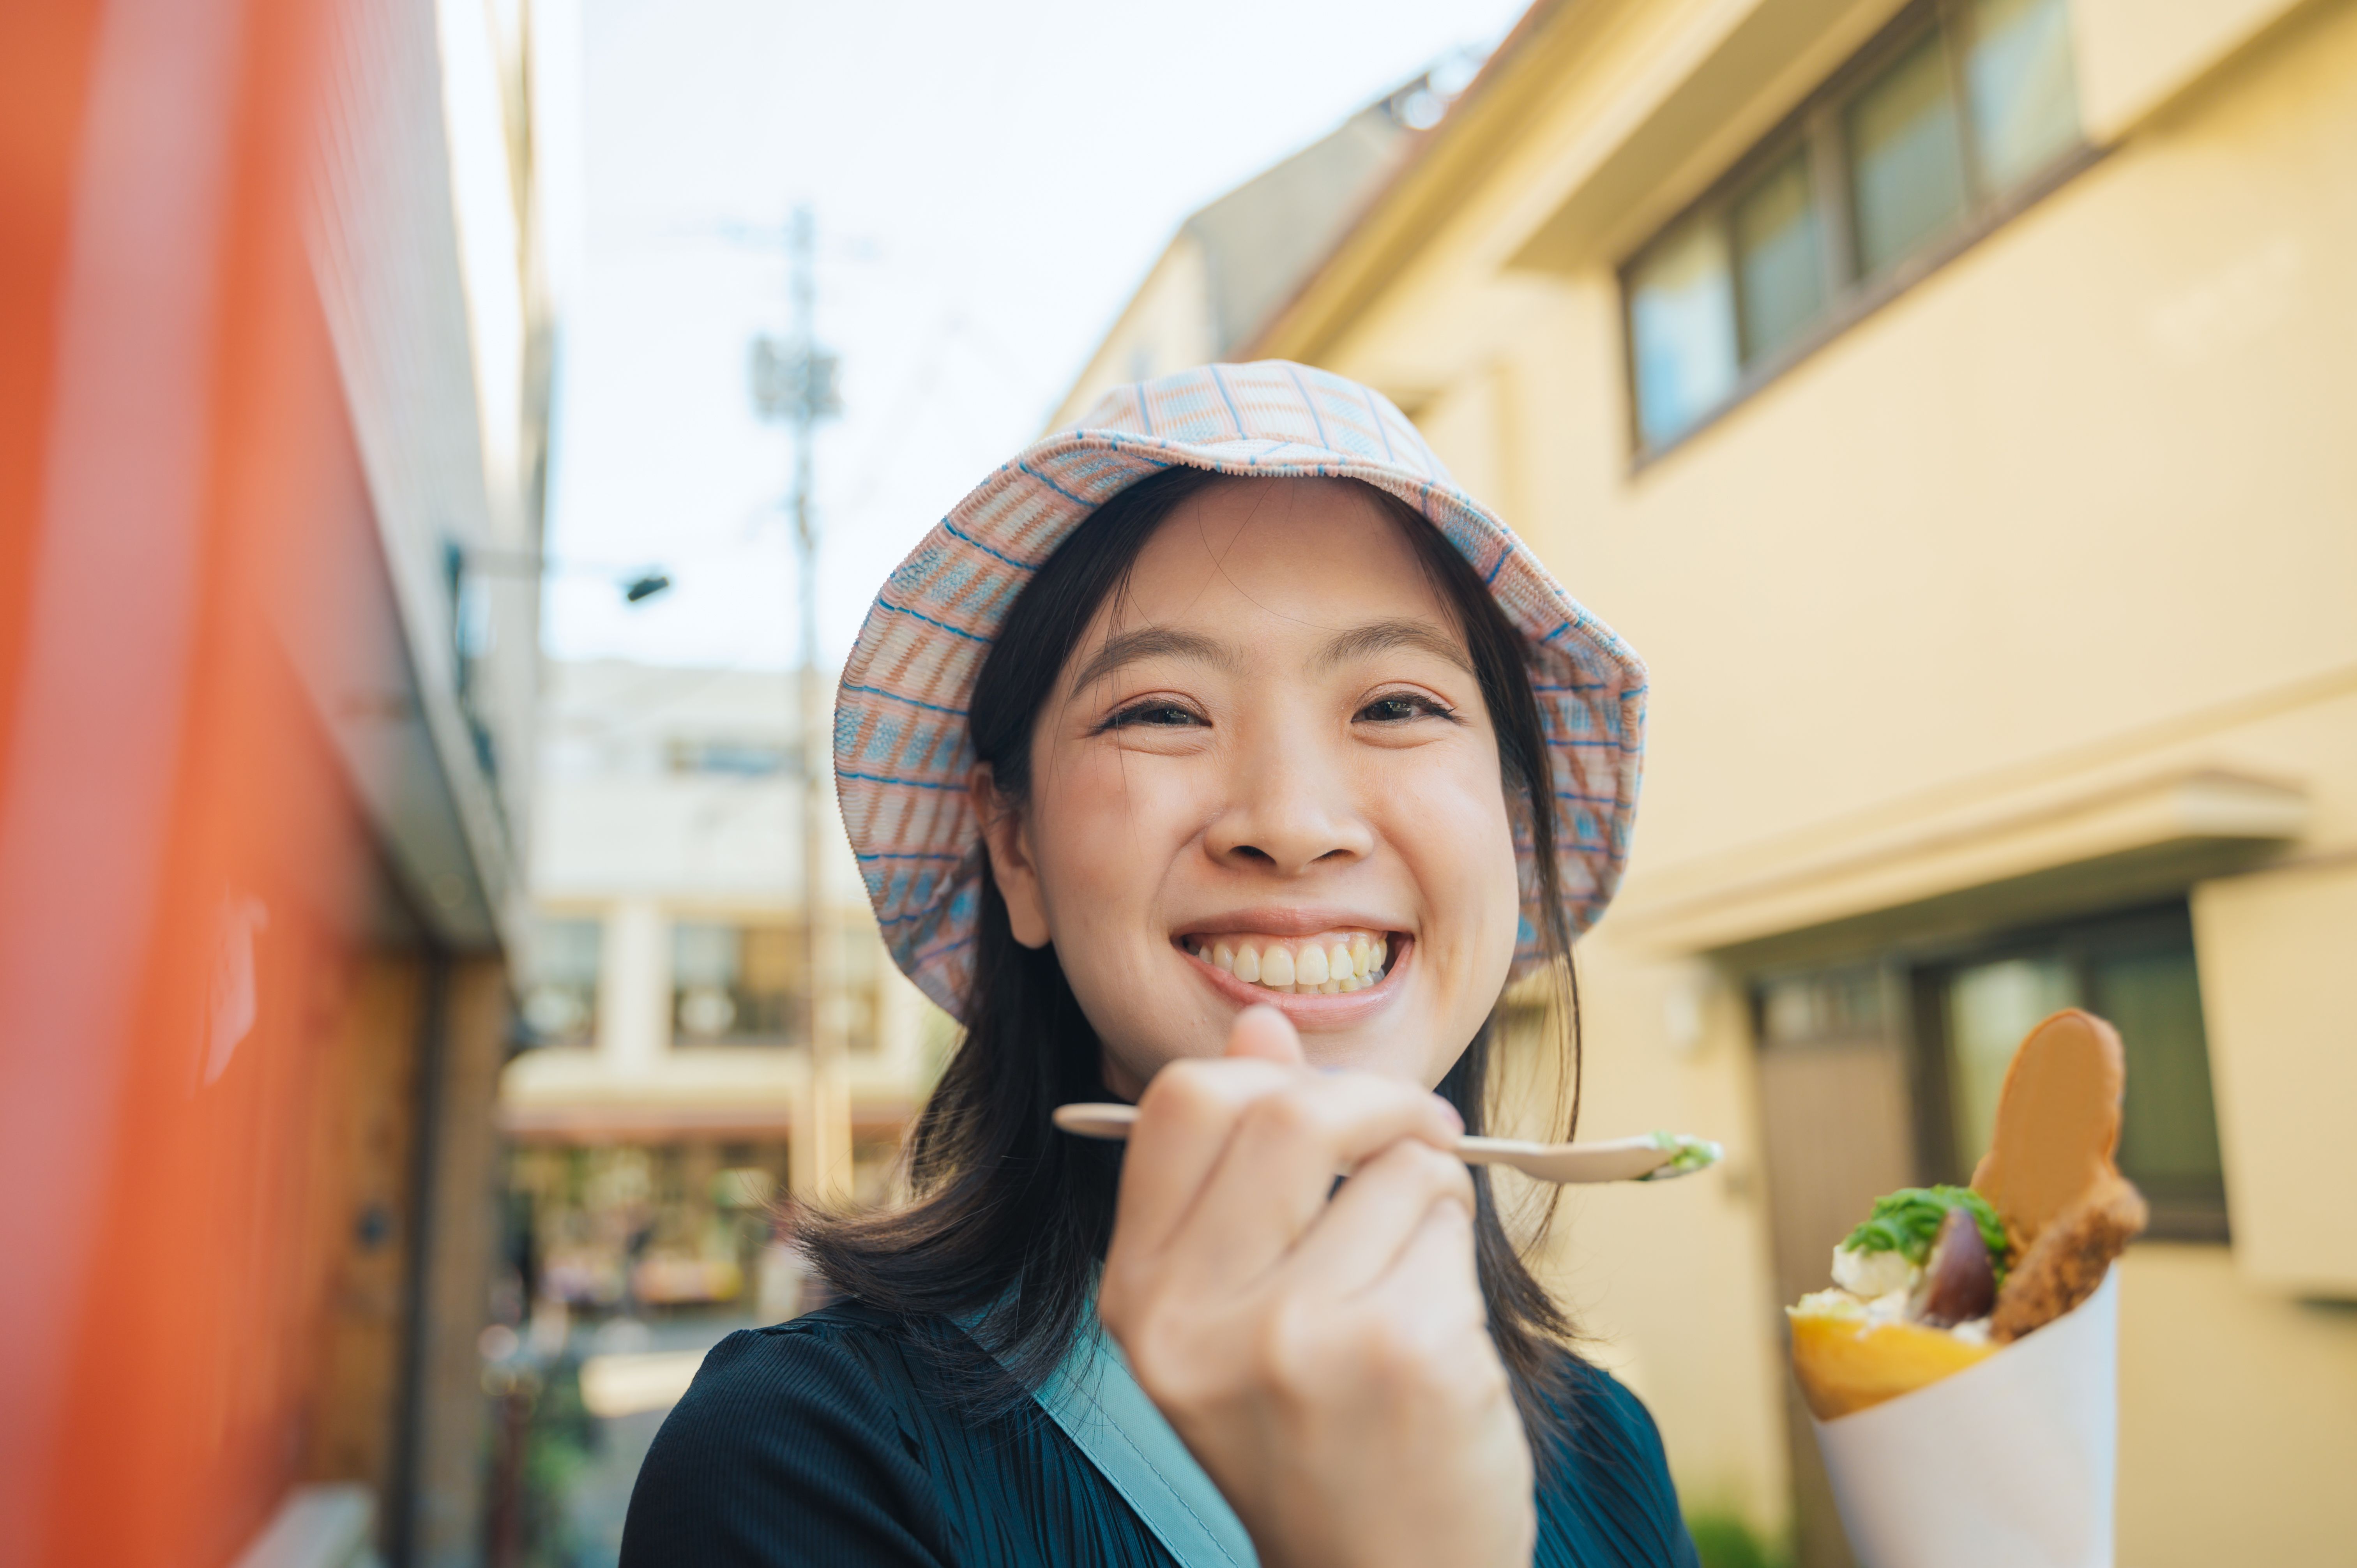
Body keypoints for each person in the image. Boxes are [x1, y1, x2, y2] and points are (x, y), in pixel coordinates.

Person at [620, 364, 1697, 1568]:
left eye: (1396, 704)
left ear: (1509, 816)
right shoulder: (802, 1459)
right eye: (1161, 712)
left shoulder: (1612, 1452)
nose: (1290, 821)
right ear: (1014, 846)